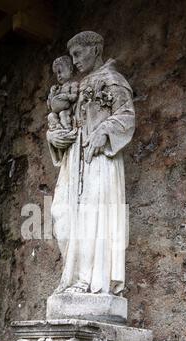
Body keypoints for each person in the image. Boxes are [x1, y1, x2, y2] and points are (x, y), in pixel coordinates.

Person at [46, 31, 135, 295]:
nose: (73, 62)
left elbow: (127, 116)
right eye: (71, 56)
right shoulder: (78, 86)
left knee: (93, 217)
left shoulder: (113, 81)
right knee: (61, 215)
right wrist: (54, 137)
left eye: (77, 54)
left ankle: (88, 281)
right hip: (73, 160)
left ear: (95, 50)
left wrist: (105, 131)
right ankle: (74, 277)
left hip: (99, 160)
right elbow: (65, 120)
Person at [47, 56, 78, 131]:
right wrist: (52, 93)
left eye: (60, 71)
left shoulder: (73, 84)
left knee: (63, 114)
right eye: (57, 73)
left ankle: (67, 130)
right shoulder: (58, 88)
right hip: (56, 111)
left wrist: (66, 97)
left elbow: (74, 96)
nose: (58, 76)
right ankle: (58, 128)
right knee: (51, 116)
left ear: (70, 69)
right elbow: (49, 105)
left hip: (68, 109)